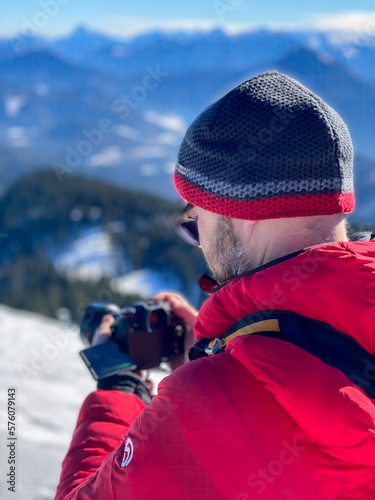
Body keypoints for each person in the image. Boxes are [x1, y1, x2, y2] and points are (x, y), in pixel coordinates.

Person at [55, 71, 375, 500]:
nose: (197, 239)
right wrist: (232, 350)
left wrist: (118, 387)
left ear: (241, 210)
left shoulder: (204, 403)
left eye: (195, 220)